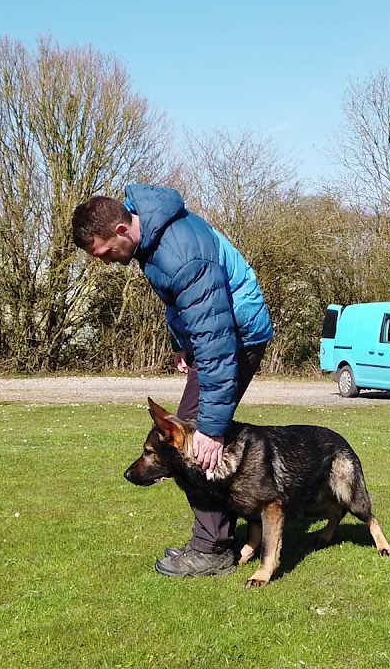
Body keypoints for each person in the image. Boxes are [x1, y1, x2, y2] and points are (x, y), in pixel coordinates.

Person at [71, 183, 272, 577]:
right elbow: (182, 302)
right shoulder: (152, 239)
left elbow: (216, 340)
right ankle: (227, 534)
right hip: (219, 335)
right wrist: (182, 343)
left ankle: (213, 549)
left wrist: (210, 431)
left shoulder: (179, 252)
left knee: (188, 441)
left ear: (121, 231)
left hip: (239, 337)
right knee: (189, 435)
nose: (108, 262)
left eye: (105, 253)